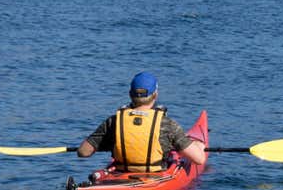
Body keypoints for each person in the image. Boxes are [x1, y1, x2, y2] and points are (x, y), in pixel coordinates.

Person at [77, 71, 206, 172]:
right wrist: (199, 146)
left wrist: (107, 143)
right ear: (155, 95)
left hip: (122, 173)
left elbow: (83, 152)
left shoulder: (114, 121)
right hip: (154, 177)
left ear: (130, 94)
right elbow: (199, 159)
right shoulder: (167, 124)